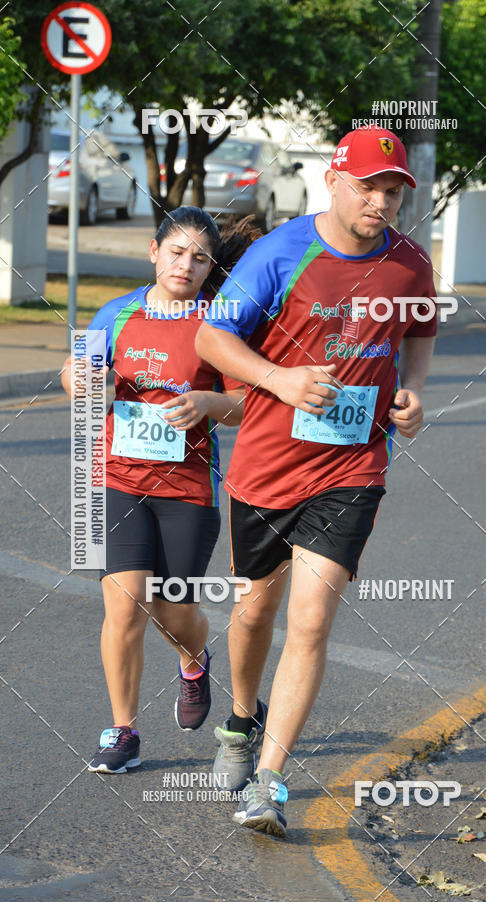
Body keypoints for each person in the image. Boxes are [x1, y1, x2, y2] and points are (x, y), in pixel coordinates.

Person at [194, 127, 437, 836]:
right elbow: (214, 337)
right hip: (265, 468)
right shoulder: (279, 254)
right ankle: (241, 721)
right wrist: (280, 379)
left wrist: (415, 388)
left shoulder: (409, 264)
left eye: (392, 191)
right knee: (253, 615)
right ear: (334, 180)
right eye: (370, 187)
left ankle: (267, 784)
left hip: (353, 466)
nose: (382, 202)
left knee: (310, 621)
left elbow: (420, 329)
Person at [61, 207, 260, 774]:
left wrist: (208, 403)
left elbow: (248, 401)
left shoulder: (219, 325)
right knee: (124, 608)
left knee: (172, 611)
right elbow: (74, 371)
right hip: (116, 480)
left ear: (210, 266)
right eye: (177, 252)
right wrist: (80, 377)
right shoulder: (116, 313)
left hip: (188, 488)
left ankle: (194, 661)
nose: (187, 265)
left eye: (200, 257)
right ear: (154, 251)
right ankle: (121, 732)